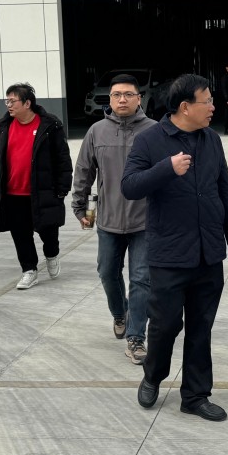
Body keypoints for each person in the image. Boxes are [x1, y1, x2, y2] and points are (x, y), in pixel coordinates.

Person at [122, 73, 228, 421]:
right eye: (207, 101)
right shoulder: (150, 140)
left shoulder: (212, 140)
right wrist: (167, 168)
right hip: (170, 254)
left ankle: (195, 395)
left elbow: (225, 190)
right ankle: (153, 376)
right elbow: (129, 186)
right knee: (164, 325)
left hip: (208, 252)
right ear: (185, 106)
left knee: (201, 327)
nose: (212, 107)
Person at [71, 73, 157, 364]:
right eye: (117, 95)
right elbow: (84, 171)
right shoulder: (97, 131)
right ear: (109, 99)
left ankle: (136, 337)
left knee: (141, 279)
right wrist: (81, 208)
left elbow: (166, 174)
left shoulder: (154, 131)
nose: (122, 99)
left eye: (128, 94)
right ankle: (120, 312)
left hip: (144, 221)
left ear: (139, 98)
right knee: (107, 273)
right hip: (108, 220)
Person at [0, 83, 72, 290]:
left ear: (27, 103)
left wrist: (63, 187)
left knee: (48, 231)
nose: (8, 105)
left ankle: (51, 255)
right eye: (7, 101)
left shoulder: (49, 126)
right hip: (12, 193)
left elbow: (62, 158)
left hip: (42, 191)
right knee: (20, 234)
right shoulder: (4, 127)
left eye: (12, 101)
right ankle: (29, 270)